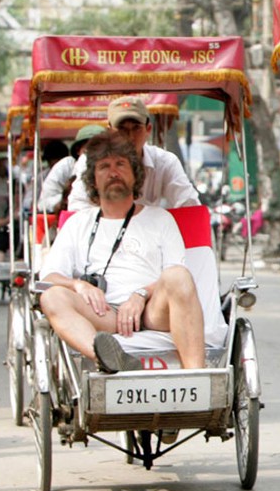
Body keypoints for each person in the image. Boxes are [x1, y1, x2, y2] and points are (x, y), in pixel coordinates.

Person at [39, 132, 206, 374]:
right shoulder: (78, 223)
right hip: (103, 312)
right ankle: (108, 357)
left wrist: (140, 295)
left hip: (151, 309)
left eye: (120, 164)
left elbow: (175, 271)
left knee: (178, 275)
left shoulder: (160, 218)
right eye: (104, 167)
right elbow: (49, 277)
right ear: (93, 179)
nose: (113, 172)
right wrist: (78, 285)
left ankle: (196, 379)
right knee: (51, 296)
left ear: (135, 174)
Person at [66, 98, 200, 212]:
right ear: (110, 130)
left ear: (148, 129)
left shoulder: (165, 161)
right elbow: (78, 206)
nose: (130, 136)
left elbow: (188, 205)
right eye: (122, 129)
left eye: (136, 128)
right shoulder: (91, 160)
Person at [39, 124, 106, 213]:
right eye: (90, 149)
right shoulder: (66, 166)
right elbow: (43, 203)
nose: (95, 154)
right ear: (78, 150)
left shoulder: (112, 168)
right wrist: (65, 198)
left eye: (100, 149)